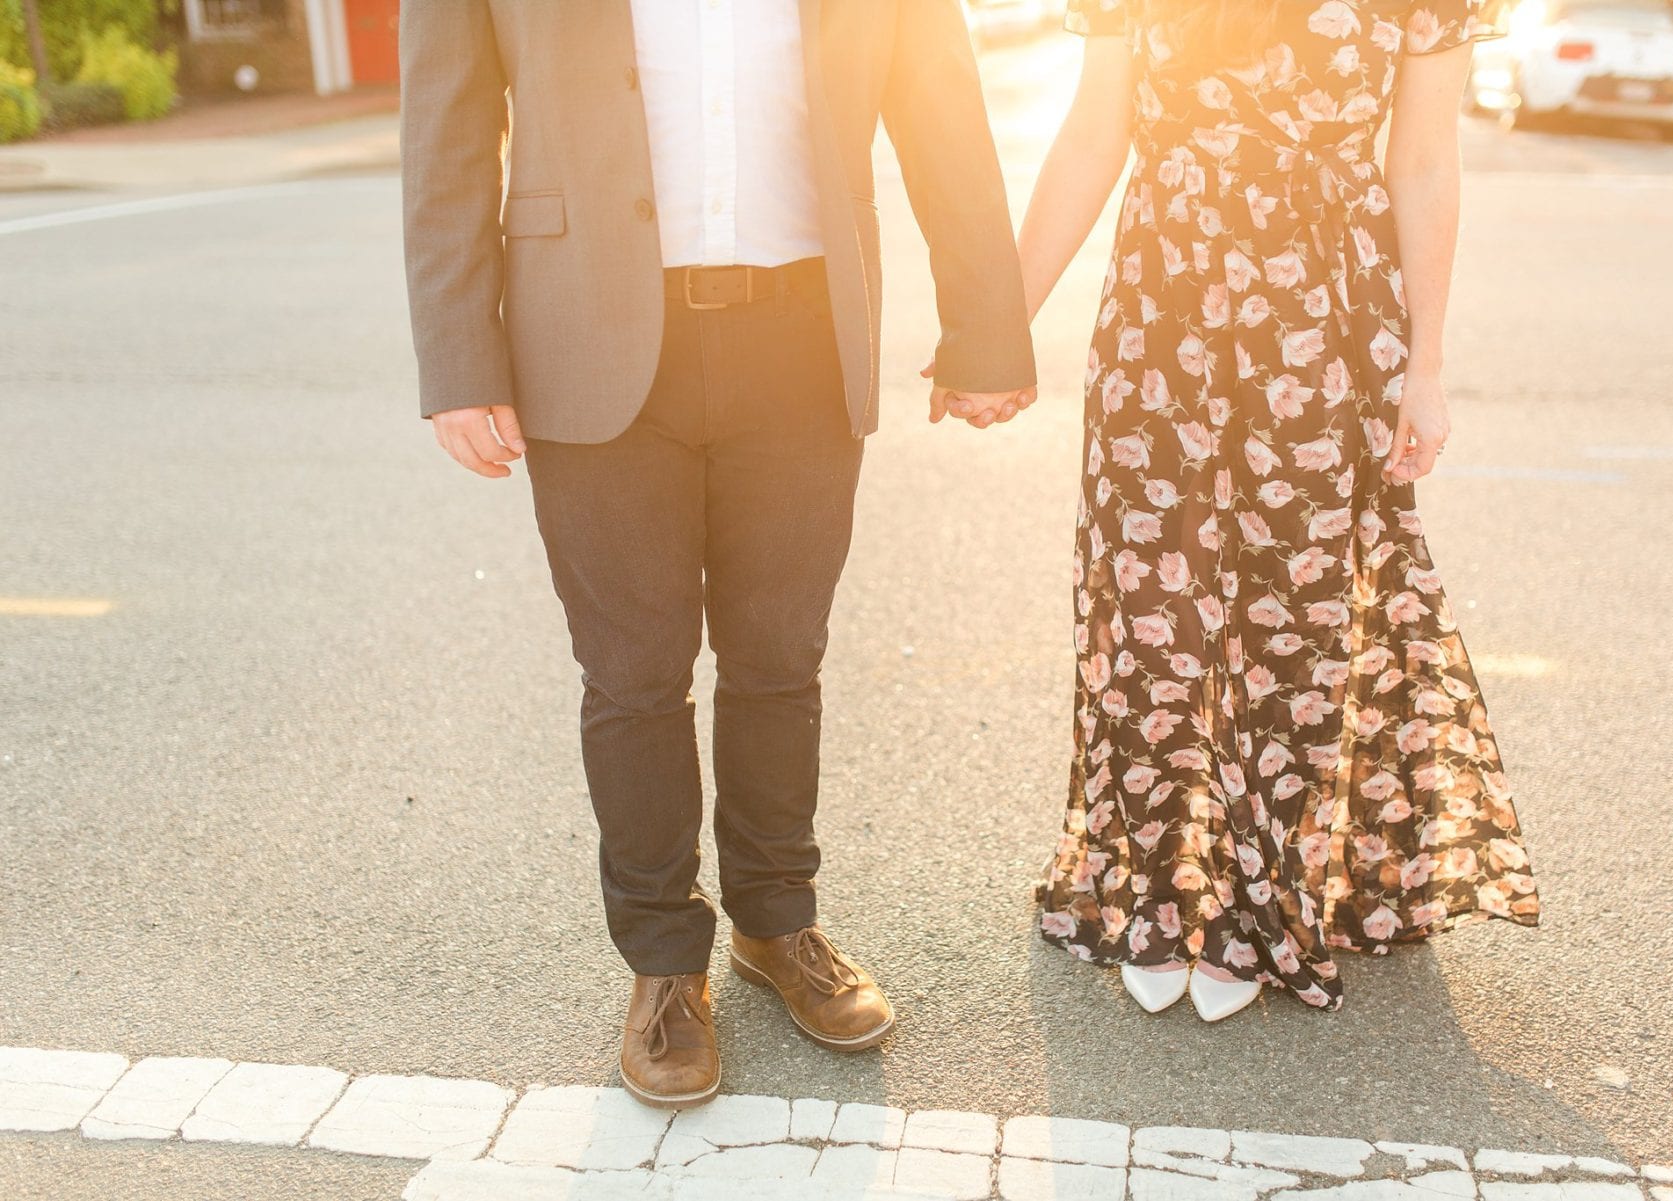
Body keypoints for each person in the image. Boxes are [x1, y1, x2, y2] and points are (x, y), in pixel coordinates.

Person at [398, 0, 1036, 1108]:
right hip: (586, 336)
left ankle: (777, 922)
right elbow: (445, 129)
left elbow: (940, 99)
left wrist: (985, 322)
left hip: (800, 331)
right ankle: (661, 964)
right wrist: (459, 357)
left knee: (779, 654)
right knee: (634, 672)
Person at [1023, 0, 1539, 1020]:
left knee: (1292, 612)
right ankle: (1164, 892)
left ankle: (1265, 905)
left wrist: (1423, 368)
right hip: (1162, 303)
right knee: (1149, 602)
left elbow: (1425, 162)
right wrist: (996, 327)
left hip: (1327, 314)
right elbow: (1093, 133)